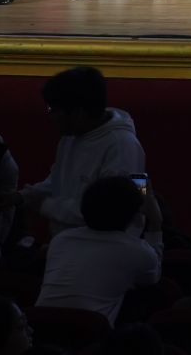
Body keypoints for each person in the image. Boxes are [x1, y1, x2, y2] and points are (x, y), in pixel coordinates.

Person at [12, 68, 146, 235]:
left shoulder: (123, 147)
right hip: (70, 243)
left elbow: (110, 212)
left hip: (108, 246)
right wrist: (23, 196)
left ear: (78, 113)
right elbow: (57, 182)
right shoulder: (71, 137)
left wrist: (45, 205)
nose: (50, 116)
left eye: (53, 109)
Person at [34, 176, 161, 324]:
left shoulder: (60, 240)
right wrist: (155, 223)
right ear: (134, 213)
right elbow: (153, 278)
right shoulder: (138, 252)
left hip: (38, 326)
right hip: (88, 333)